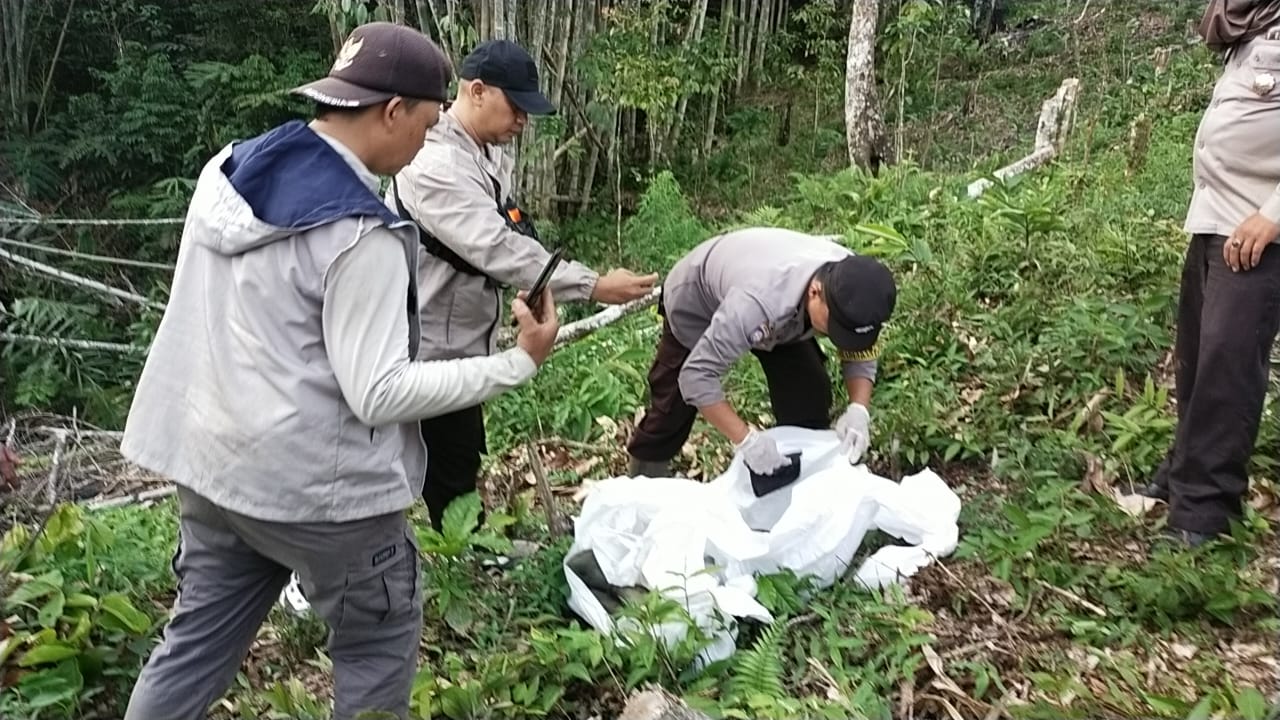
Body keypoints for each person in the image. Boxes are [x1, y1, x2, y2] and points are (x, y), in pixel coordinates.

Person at [117, 23, 559, 720]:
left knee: (195, 642)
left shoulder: (227, 170)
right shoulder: (362, 235)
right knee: (379, 644)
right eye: (425, 120)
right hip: (320, 496)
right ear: (391, 112)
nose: (426, 139)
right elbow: (380, 393)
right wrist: (518, 361)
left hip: (211, 464)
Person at [389, 38, 658, 528]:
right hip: (426, 347)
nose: (522, 122)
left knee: (456, 454)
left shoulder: (484, 154)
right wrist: (594, 284)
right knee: (435, 463)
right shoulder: (436, 164)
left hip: (463, 341)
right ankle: (457, 557)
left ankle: (459, 547)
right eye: (515, 107)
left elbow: (513, 227)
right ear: (476, 91)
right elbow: (497, 246)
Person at [1138, 0, 1280, 548]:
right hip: (1216, 216)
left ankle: (1205, 515)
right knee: (1198, 358)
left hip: (1256, 228)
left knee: (1228, 364)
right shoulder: (1253, 26)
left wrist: (1272, 217)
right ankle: (1185, 474)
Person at [625, 227, 897, 479]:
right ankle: (641, 489)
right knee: (672, 408)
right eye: (835, 328)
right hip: (697, 301)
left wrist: (858, 408)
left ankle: (800, 483)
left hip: (783, 309)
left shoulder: (854, 284)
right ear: (815, 292)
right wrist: (747, 440)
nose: (837, 337)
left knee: (808, 393)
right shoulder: (756, 305)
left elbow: (860, 350)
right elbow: (696, 378)